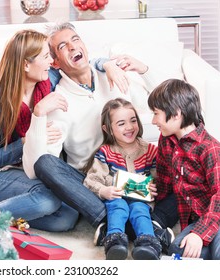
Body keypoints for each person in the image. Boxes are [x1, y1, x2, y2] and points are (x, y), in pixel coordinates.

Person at [22, 22, 176, 248]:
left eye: (75, 39)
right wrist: (38, 117)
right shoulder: (59, 101)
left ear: (84, 45)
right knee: (46, 163)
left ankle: (124, 225)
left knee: (182, 171)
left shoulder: (113, 75)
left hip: (134, 171)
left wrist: (144, 70)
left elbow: (170, 105)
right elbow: (38, 166)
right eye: (63, 46)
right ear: (55, 62)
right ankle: (123, 223)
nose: (73, 46)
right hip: (94, 182)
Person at [0, 29, 79, 232]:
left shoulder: (47, 82)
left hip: (35, 169)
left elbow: (76, 64)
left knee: (68, 216)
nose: (51, 61)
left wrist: (106, 65)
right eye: (46, 56)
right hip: (1, 174)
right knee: (49, 200)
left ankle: (6, 215)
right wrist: (24, 142)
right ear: (25, 64)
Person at [147, 78, 220, 259]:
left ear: (177, 113)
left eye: (156, 114)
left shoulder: (211, 149)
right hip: (204, 211)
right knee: (179, 251)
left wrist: (200, 234)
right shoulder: (166, 139)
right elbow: (164, 180)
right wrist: (152, 196)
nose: (153, 120)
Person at [83, 98, 163, 260]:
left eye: (133, 121)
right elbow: (91, 180)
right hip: (115, 200)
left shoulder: (150, 151)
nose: (129, 127)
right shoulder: (106, 152)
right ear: (108, 129)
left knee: (140, 209)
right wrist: (103, 190)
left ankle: (148, 243)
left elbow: (159, 179)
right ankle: (115, 242)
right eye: (121, 124)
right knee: (118, 206)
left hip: (141, 201)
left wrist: (154, 187)